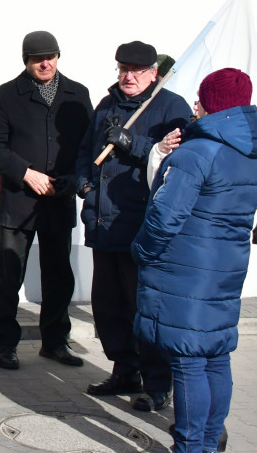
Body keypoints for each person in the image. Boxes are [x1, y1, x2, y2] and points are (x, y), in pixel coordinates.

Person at [134, 68, 257, 453]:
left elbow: (164, 216)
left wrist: (141, 251)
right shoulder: (253, 156)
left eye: (201, 98)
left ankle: (189, 447)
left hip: (185, 272)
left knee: (189, 362)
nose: (195, 105)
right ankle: (208, 444)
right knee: (216, 356)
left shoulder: (196, 152)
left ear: (215, 104)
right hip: (225, 269)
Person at [75, 40, 190, 411]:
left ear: (153, 73)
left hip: (141, 225)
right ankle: (124, 369)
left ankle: (158, 385)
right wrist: (83, 182)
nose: (127, 76)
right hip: (103, 223)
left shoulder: (172, 107)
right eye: (122, 69)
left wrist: (133, 144)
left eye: (136, 70)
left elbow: (178, 159)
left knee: (146, 308)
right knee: (109, 307)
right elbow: (84, 151)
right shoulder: (107, 105)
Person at [0, 31, 93, 370]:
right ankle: (4, 344)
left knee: (59, 275)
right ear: (26, 61)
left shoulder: (77, 95)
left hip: (59, 200)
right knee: (9, 274)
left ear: (58, 56)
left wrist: (72, 181)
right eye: (36, 58)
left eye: (50, 56)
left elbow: (87, 148)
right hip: (19, 202)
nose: (45, 63)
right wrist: (25, 173)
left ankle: (56, 342)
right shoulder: (6, 95)